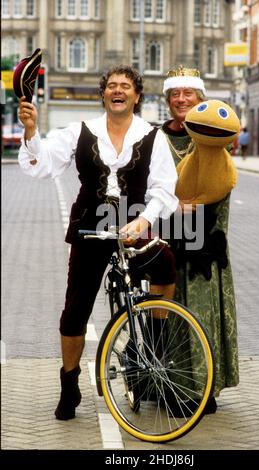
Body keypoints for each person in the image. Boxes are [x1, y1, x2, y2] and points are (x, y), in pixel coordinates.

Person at [18, 65, 179, 420]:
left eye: (125, 86)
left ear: (137, 95)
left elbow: (166, 190)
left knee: (165, 265)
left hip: (136, 222)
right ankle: (69, 382)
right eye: (111, 86)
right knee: (76, 306)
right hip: (91, 224)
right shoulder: (80, 131)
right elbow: (40, 166)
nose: (117, 90)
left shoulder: (153, 136)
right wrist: (31, 131)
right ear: (103, 94)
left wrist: (144, 220)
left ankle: (149, 347)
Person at [161, 66, 239, 414]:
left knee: (201, 313)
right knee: (169, 315)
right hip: (166, 238)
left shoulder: (211, 133)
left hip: (204, 239)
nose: (181, 100)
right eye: (174, 95)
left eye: (187, 94)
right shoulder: (156, 138)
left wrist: (213, 233)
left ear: (199, 99)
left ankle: (203, 389)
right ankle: (167, 384)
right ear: (167, 100)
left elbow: (223, 184)